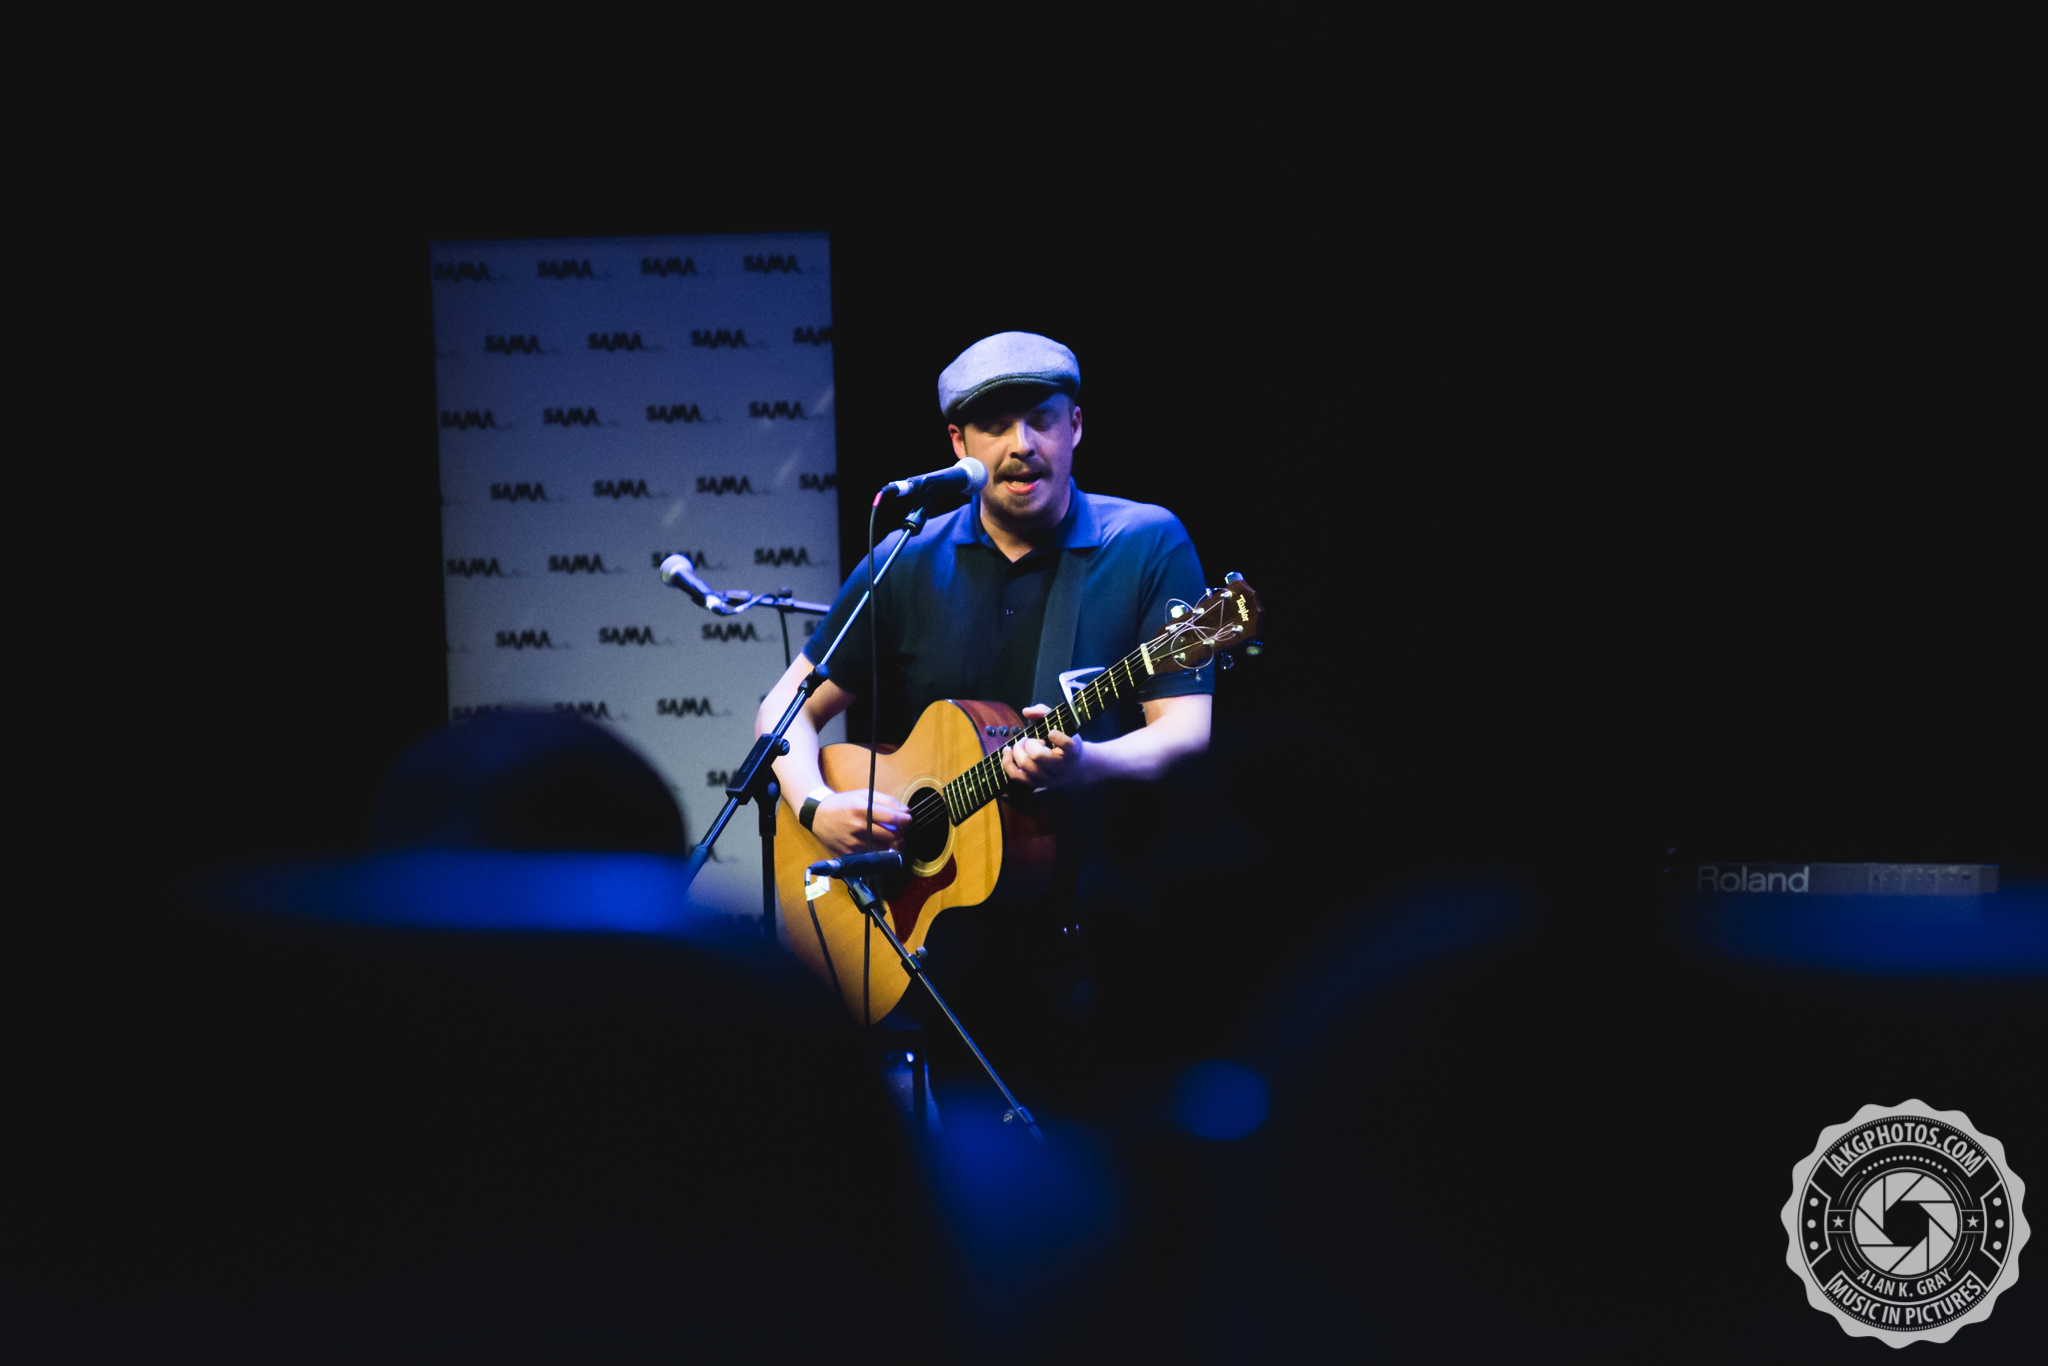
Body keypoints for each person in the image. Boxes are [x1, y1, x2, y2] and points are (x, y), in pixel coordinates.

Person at [753, 331, 1214, 1105]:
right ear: (957, 442)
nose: (1020, 444)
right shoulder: (907, 558)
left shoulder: (1144, 542)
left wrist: (1087, 764)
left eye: (1040, 418)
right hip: (951, 954)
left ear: (1075, 425)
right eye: (995, 425)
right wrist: (816, 805)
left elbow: (1186, 733)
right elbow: (784, 708)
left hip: (1102, 943)